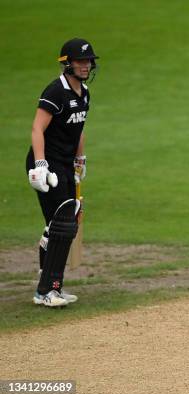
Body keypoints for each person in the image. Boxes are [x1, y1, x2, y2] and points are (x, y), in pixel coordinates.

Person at [26, 38, 99, 307]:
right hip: (47, 162)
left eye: (88, 60)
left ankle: (52, 287)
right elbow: (37, 129)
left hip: (66, 163)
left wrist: (80, 159)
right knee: (63, 224)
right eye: (80, 61)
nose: (86, 65)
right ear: (67, 63)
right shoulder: (56, 91)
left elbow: (78, 129)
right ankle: (46, 290)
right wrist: (40, 164)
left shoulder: (85, 93)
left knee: (62, 226)